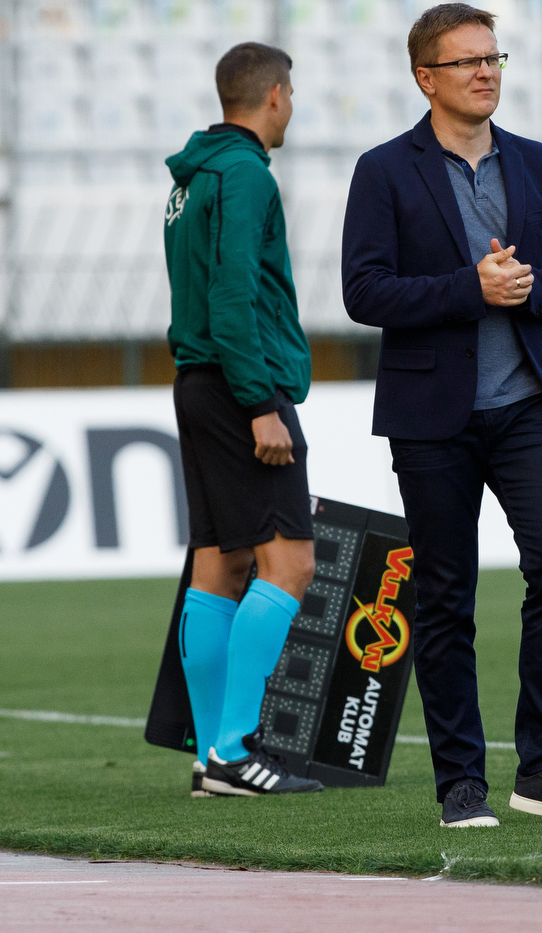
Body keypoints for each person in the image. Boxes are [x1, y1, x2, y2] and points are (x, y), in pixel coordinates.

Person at [340, 4, 542, 829]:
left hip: (527, 403)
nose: (486, 71)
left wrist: (528, 288)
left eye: (494, 57)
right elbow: (364, 291)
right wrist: (470, 288)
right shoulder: (384, 169)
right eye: (467, 62)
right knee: (447, 597)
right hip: (431, 415)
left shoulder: (535, 162)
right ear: (426, 77)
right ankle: (461, 782)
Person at [164, 42, 320, 798]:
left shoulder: (193, 178)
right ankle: (230, 748)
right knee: (288, 563)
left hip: (198, 381)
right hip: (238, 386)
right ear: (275, 96)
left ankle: (211, 758)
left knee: (219, 562)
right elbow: (233, 296)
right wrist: (261, 403)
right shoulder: (245, 173)